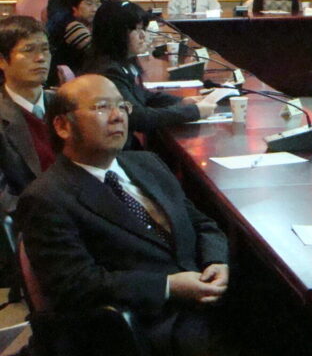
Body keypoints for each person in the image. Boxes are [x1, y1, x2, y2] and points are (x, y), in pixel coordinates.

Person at [16, 74, 233, 356]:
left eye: (122, 106)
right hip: (149, 324)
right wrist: (168, 286)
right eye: (102, 107)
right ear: (62, 125)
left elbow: (201, 223)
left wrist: (216, 260)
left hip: (208, 294)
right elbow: (76, 284)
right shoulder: (47, 197)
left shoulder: (147, 163)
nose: (118, 116)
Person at [84, 1, 216, 134]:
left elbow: (143, 96)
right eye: (136, 29)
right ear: (115, 33)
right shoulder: (109, 71)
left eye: (143, 28)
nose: (143, 35)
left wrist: (182, 102)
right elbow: (137, 117)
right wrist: (194, 112)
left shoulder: (122, 61)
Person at [0, 16, 57, 214]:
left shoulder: (67, 105)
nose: (41, 58)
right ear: (2, 60)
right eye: (28, 50)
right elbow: (4, 198)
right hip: (30, 219)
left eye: (45, 49)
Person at [47, 0, 102, 76]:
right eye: (89, 4)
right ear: (74, 8)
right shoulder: (71, 25)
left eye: (97, 4)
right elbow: (98, 55)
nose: (95, 9)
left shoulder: (92, 25)